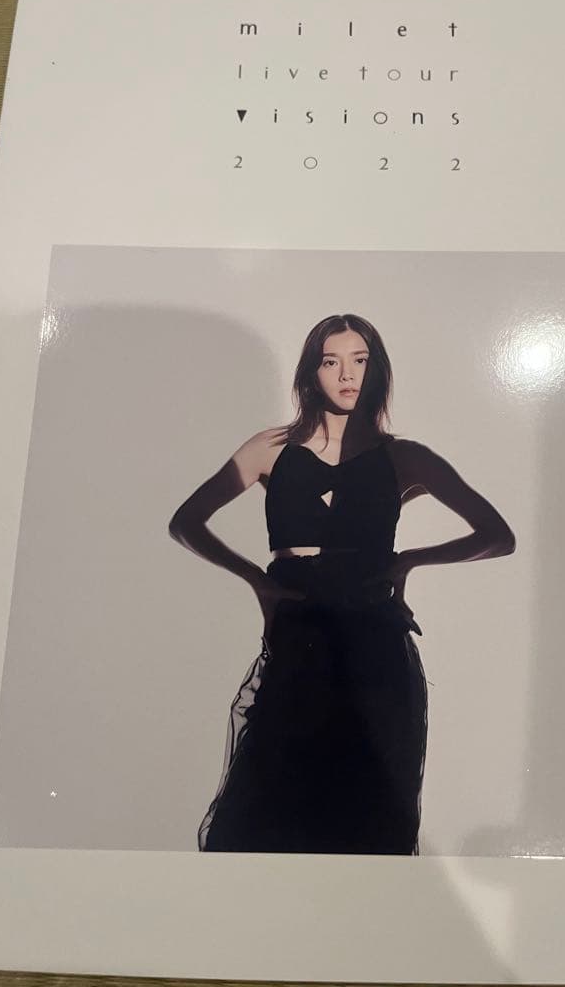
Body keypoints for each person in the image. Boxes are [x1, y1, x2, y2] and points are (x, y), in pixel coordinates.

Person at [169, 313, 515, 854]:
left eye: (360, 361)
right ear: (312, 371)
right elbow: (186, 522)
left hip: (374, 644)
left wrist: (410, 560)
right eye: (331, 361)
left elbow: (497, 536)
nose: (346, 374)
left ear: (377, 371)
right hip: (301, 641)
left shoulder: (404, 457)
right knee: (268, 807)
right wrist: (257, 580)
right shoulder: (270, 448)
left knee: (368, 813)